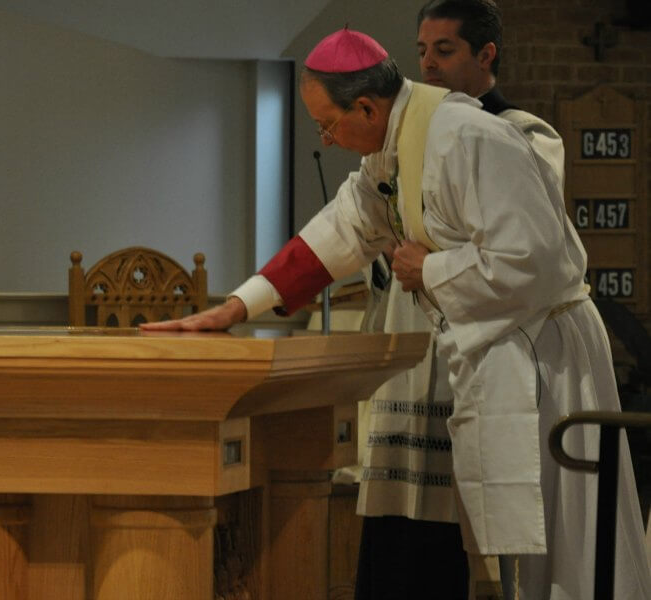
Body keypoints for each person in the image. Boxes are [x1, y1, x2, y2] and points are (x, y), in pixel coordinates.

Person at [142, 25, 651, 600]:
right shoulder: (395, 147)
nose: (327, 139)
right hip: (506, 353)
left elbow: (536, 260)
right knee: (531, 551)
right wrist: (236, 307)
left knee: (571, 542)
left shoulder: (468, 138)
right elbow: (338, 231)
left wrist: (428, 270)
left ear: (366, 106)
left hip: (547, 358)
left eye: (328, 125)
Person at [355, 2, 573, 599]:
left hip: (481, 343)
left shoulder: (522, 134)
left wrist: (429, 261)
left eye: (445, 50)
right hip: (411, 338)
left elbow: (523, 249)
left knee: (464, 523)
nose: (428, 64)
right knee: (399, 522)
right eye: (422, 51)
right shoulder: (406, 139)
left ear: (486, 54)